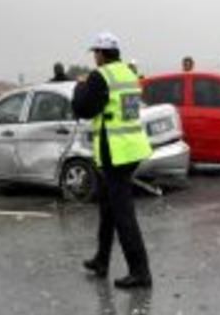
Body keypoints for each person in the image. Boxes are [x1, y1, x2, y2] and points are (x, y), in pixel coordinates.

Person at [73, 32, 153, 290]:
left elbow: (83, 109)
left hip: (114, 152)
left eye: (95, 52)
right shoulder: (129, 74)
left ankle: (140, 272)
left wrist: (80, 86)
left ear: (102, 53)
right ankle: (101, 260)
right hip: (131, 149)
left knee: (123, 214)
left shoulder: (101, 76)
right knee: (108, 207)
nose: (94, 56)